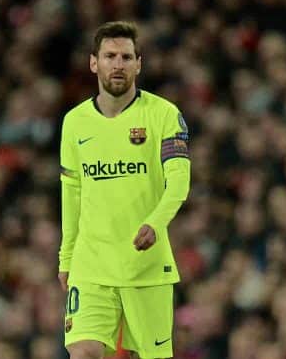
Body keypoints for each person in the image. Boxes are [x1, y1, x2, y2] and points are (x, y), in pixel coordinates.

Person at [57, 21, 191, 359]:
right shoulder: (75, 122)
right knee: (83, 351)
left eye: (126, 57)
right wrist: (66, 256)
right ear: (94, 62)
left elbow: (178, 181)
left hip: (145, 267)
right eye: (110, 56)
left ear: (138, 64)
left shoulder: (164, 115)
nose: (118, 64)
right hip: (91, 265)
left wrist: (156, 223)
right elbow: (71, 190)